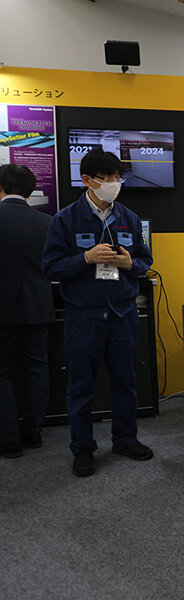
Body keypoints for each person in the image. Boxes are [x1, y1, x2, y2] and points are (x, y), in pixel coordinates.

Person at [42, 148, 153, 477]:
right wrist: (86, 258)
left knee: (125, 382)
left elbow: (145, 261)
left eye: (118, 178)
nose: (113, 184)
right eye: (106, 179)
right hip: (84, 316)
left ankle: (125, 439)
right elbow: (51, 268)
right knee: (81, 386)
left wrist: (131, 263)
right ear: (87, 180)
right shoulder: (65, 220)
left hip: (122, 313)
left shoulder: (129, 218)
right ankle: (82, 449)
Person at [0, 164, 56, 459]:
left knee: (2, 373)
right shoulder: (48, 222)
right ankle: (33, 433)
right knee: (37, 369)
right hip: (38, 306)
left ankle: (8, 440)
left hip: (2, 310)